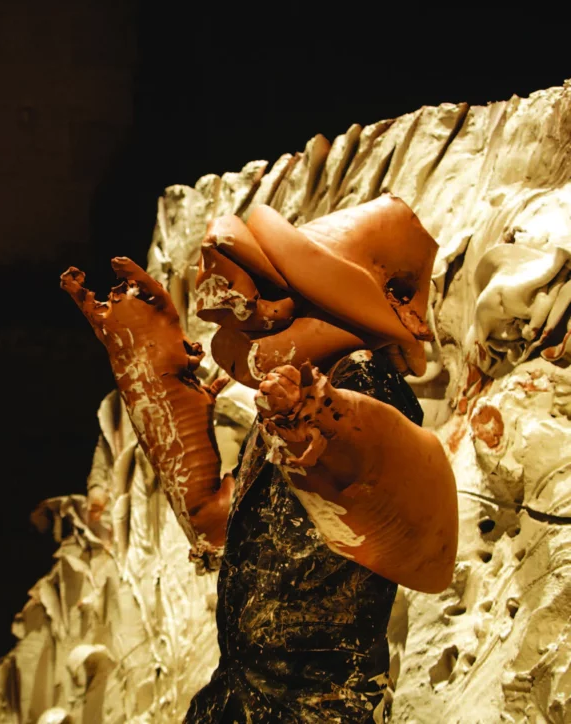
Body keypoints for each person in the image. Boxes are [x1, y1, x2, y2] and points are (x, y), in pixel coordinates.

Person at [62, 194, 458, 722]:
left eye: (284, 288)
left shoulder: (352, 384)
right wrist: (148, 371)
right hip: (245, 690)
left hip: (312, 702)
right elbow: (218, 524)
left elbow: (393, 498)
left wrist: (324, 422)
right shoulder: (293, 390)